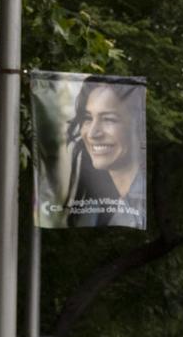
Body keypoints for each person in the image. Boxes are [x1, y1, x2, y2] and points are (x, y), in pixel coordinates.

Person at [60, 79, 145, 227]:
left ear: (136, 125)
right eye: (87, 118)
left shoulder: (145, 201)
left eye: (108, 119)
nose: (93, 133)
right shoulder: (94, 207)